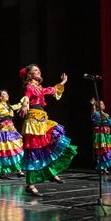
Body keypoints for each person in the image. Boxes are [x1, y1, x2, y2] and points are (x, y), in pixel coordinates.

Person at [17, 64, 77, 196]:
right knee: (34, 151)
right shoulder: (30, 87)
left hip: (42, 120)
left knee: (53, 143)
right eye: (35, 71)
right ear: (29, 75)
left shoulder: (39, 88)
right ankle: (30, 184)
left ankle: (50, 172)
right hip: (33, 122)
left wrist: (62, 82)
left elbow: (51, 90)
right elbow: (26, 96)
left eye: (39, 70)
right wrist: (24, 105)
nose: (38, 72)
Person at [0, 90, 25, 180]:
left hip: (11, 129)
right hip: (4, 130)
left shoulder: (8, 106)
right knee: (5, 151)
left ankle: (19, 170)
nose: (7, 96)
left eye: (7, 94)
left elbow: (15, 106)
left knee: (17, 148)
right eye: (4, 94)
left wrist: (23, 102)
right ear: (0, 97)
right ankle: (2, 172)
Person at [90, 98, 111, 174]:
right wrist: (93, 105)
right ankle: (100, 167)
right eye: (101, 104)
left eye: (103, 104)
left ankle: (105, 167)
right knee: (101, 151)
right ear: (97, 106)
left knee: (107, 150)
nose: (103, 105)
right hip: (100, 134)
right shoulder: (96, 113)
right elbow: (93, 112)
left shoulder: (106, 114)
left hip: (107, 134)